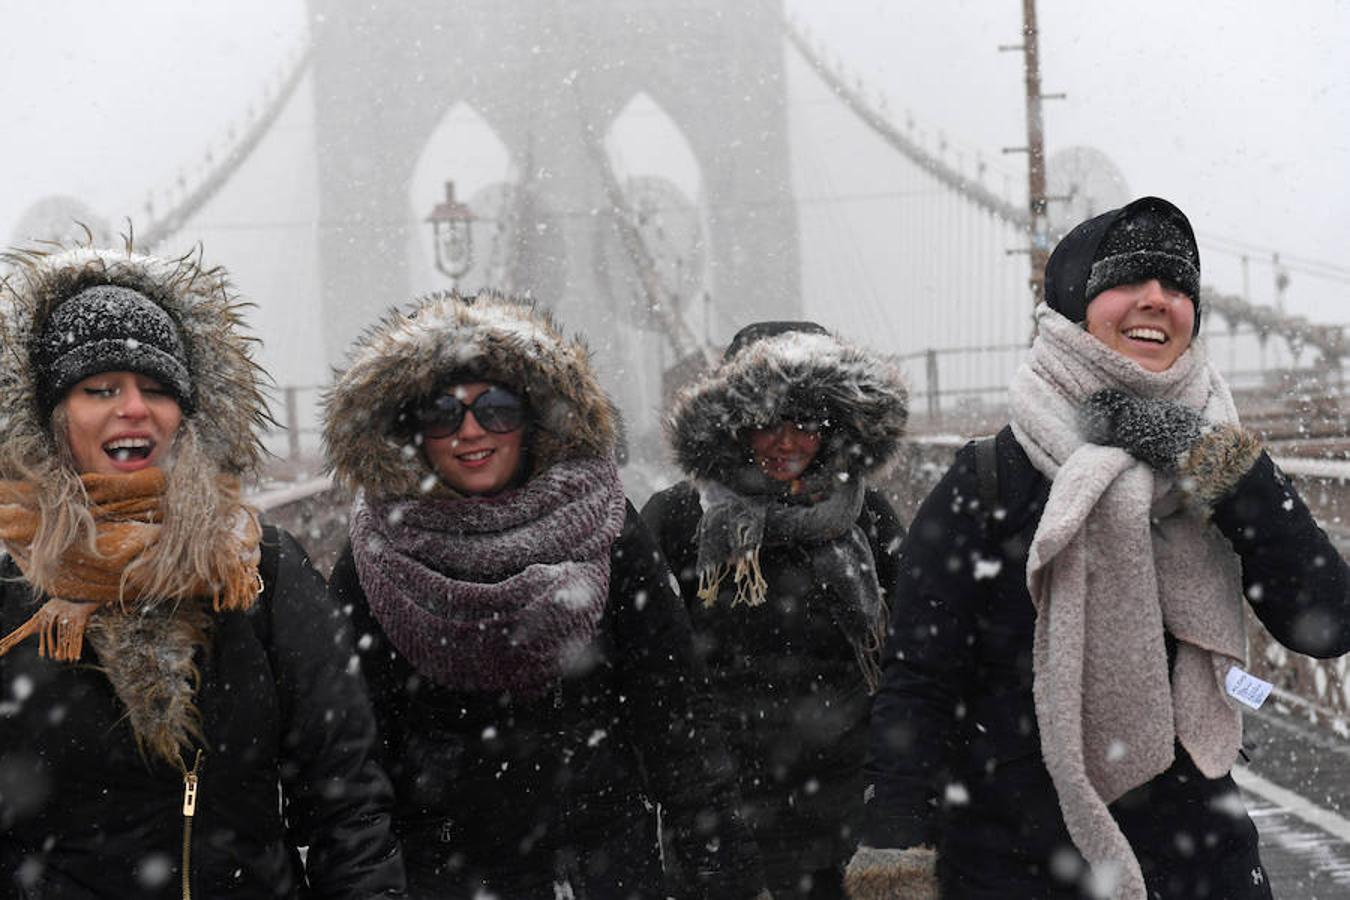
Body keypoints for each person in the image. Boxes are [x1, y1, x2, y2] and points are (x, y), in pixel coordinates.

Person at [845, 197, 1350, 900]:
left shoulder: (1218, 465)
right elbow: (920, 684)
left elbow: (1324, 619)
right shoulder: (990, 479)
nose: (1157, 299)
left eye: (1178, 286)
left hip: (1204, 863)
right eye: (1128, 279)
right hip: (1019, 865)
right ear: (1073, 307)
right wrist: (897, 848)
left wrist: (1219, 465)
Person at [322, 290, 768, 899]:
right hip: (446, 873)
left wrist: (724, 877)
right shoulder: (372, 557)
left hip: (599, 870)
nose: (472, 431)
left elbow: (676, 720)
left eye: (497, 408)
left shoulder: (609, 529)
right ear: (412, 434)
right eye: (442, 414)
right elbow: (353, 758)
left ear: (532, 419)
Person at [0, 245, 405, 898]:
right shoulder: (13, 591)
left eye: (157, 389)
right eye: (100, 388)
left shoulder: (260, 571)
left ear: (186, 416)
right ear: (53, 418)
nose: (134, 408)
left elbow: (347, 801)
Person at [642, 321, 910, 898]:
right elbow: (649, 671)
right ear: (733, 426)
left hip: (845, 807)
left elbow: (911, 657)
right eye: (766, 422)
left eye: (806, 423)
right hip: (724, 810)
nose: (786, 443)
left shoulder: (869, 517)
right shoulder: (679, 519)